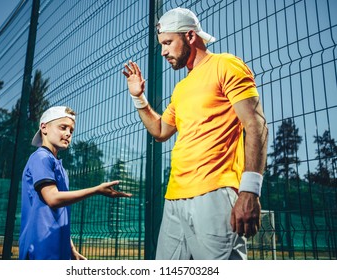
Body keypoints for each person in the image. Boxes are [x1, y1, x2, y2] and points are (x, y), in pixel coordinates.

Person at [122, 7, 268, 260]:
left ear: (190, 36)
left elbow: (256, 126)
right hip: (175, 198)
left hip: (215, 195)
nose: (163, 51)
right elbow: (160, 131)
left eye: (168, 43)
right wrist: (138, 97)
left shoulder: (226, 65)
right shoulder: (181, 88)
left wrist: (250, 191)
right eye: (161, 44)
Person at [19, 106, 132, 260]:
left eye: (71, 131)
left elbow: (60, 213)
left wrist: (70, 247)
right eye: (63, 127)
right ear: (44, 128)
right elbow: (52, 198)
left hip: (58, 248)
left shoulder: (58, 166)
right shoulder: (41, 158)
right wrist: (96, 190)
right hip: (40, 248)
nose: (68, 133)